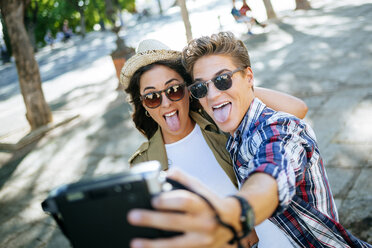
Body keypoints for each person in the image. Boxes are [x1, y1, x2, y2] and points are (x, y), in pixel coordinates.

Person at [125, 32, 372, 248]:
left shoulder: (238, 126)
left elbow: (275, 163)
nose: (166, 102)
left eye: (174, 90)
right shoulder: (229, 131)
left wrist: (235, 217)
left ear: (186, 92)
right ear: (144, 105)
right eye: (152, 97)